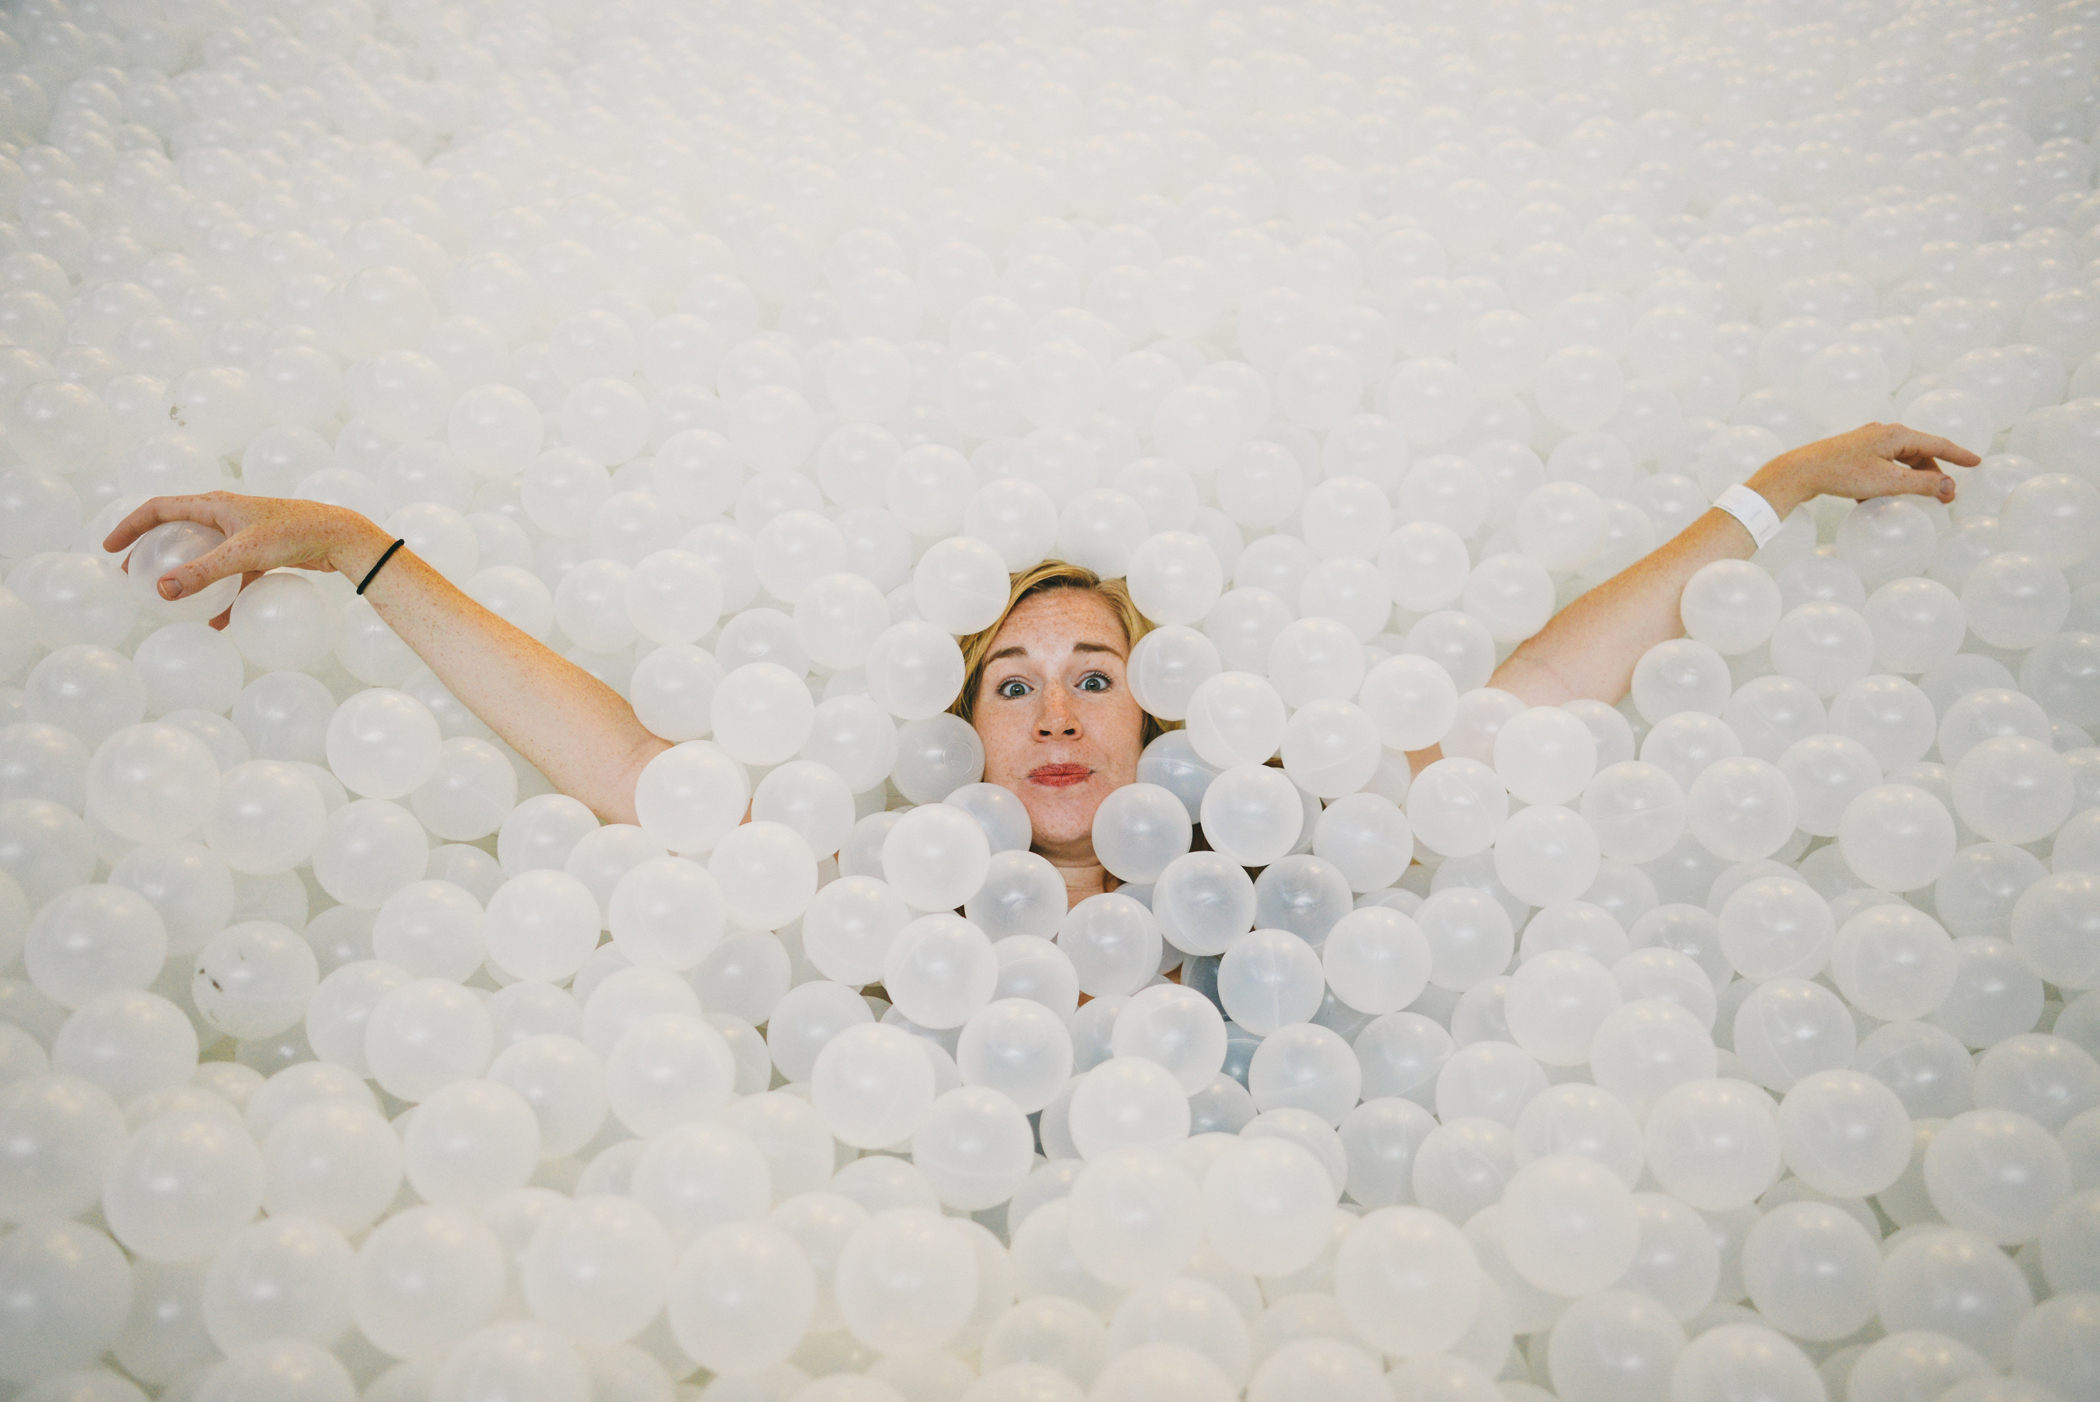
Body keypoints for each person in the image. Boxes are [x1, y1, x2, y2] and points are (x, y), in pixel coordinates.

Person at [104, 421, 1976, 910]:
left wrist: (1779, 489)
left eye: (1094, 673)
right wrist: (359, 548)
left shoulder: (1285, 871)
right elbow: (613, 759)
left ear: (1159, 723)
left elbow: (1541, 699)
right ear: (965, 739)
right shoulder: (874, 893)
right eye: (1012, 680)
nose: (1060, 706)